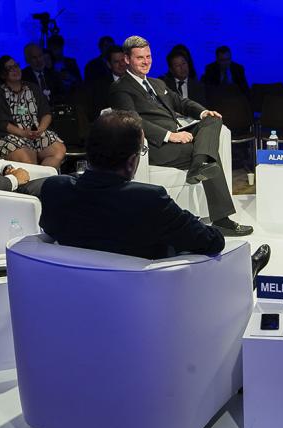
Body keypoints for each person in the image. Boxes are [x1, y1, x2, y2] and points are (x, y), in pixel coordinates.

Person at [39, 110, 270, 275]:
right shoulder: (148, 199)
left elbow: (51, 231)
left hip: (74, 296)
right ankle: (243, 274)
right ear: (132, 162)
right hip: (150, 302)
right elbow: (212, 241)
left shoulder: (54, 189)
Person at [109, 35, 253, 236]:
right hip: (157, 146)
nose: (146, 62)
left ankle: (199, 164)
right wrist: (170, 135)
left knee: (213, 120)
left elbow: (182, 103)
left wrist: (202, 112)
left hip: (177, 135)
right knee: (207, 154)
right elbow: (133, 121)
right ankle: (221, 218)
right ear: (127, 59)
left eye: (148, 56)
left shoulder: (156, 83)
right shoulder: (120, 88)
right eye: (140, 58)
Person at [0, 55, 66, 169]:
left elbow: (46, 113)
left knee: (59, 150)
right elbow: (0, 122)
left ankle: (44, 182)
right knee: (27, 158)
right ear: (2, 74)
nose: (15, 70)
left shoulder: (32, 87)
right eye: (10, 68)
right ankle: (34, 184)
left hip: (36, 132)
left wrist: (40, 129)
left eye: (16, 66)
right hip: (11, 136)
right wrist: (23, 133)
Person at [86, 45, 127, 119]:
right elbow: (97, 112)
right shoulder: (100, 86)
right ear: (109, 65)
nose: (121, 64)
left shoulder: (139, 80)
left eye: (123, 60)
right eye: (116, 62)